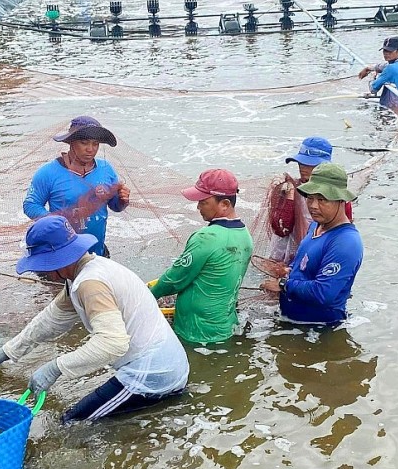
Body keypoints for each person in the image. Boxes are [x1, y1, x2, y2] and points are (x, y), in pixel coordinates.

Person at [0, 215, 189, 422]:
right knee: (79, 416)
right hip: (158, 364)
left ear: (59, 260)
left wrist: (54, 368)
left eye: (42, 265)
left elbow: (112, 343)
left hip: (152, 374)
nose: (39, 272)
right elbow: (51, 320)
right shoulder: (82, 274)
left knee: (71, 421)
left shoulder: (91, 283)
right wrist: (8, 351)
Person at [149, 169, 253, 344]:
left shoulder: (206, 237)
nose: (198, 207)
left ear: (225, 204)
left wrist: (148, 295)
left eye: (203, 202)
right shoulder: (245, 236)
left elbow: (175, 279)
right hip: (224, 325)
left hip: (196, 330)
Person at [260, 163, 363, 324]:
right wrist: (288, 270)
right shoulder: (316, 225)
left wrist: (283, 284)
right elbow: (304, 263)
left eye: (322, 199)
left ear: (341, 200)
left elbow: (323, 293)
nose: (313, 206)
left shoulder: (346, 242)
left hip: (319, 331)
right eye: (310, 198)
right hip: (293, 323)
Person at [23, 116, 130, 256]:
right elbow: (31, 205)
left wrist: (122, 200)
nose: (90, 149)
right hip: (61, 255)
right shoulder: (48, 172)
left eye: (95, 144)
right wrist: (56, 223)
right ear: (71, 142)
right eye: (84, 143)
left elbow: (115, 206)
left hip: (97, 252)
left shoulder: (106, 168)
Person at [268, 136, 352, 269]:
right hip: (287, 259)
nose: (303, 168)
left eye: (310, 165)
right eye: (301, 163)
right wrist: (288, 196)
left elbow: (343, 231)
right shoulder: (291, 188)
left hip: (319, 259)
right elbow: (281, 229)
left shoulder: (339, 198)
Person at [358, 35, 398, 115]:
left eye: (390, 51)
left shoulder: (391, 68)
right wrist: (369, 68)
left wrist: (373, 77)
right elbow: (383, 66)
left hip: (390, 110)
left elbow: (373, 89)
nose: (386, 54)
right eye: (385, 51)